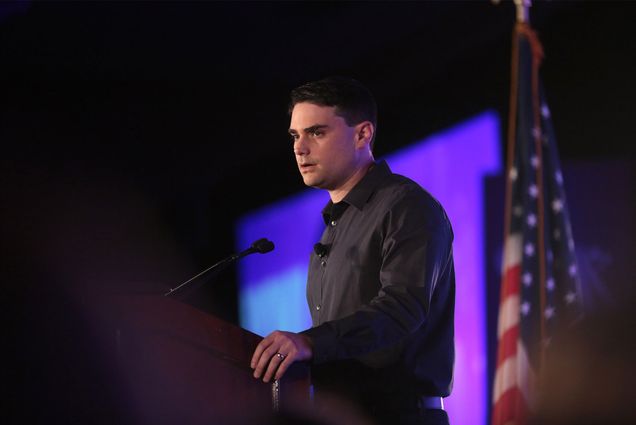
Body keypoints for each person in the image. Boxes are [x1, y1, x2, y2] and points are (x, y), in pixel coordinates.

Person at [250, 77, 455, 425]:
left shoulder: (406, 206)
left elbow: (401, 309)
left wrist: (310, 342)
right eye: (294, 136)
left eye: (316, 132)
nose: (300, 148)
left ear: (362, 135)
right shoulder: (331, 231)